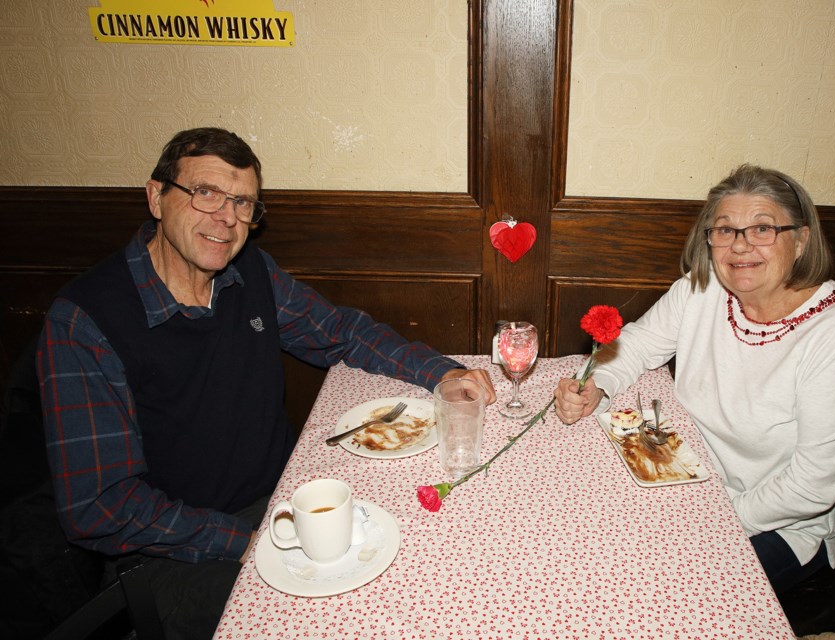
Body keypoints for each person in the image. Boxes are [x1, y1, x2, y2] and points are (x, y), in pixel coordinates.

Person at [36, 127, 496, 639]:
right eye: (206, 193)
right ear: (157, 198)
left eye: (243, 203)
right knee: (347, 621)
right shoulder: (85, 321)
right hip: (176, 555)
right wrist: (244, 537)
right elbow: (100, 506)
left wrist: (442, 372)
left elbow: (340, 332)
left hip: (283, 500)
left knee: (423, 552)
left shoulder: (249, 272)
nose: (226, 218)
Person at [553, 164, 835, 595]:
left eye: (763, 228)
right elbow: (636, 344)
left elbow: (812, 487)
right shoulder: (703, 287)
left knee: (648, 592)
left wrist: (712, 520)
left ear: (801, 240)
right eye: (725, 230)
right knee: (585, 534)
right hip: (689, 475)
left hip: (781, 523)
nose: (740, 246)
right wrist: (599, 384)